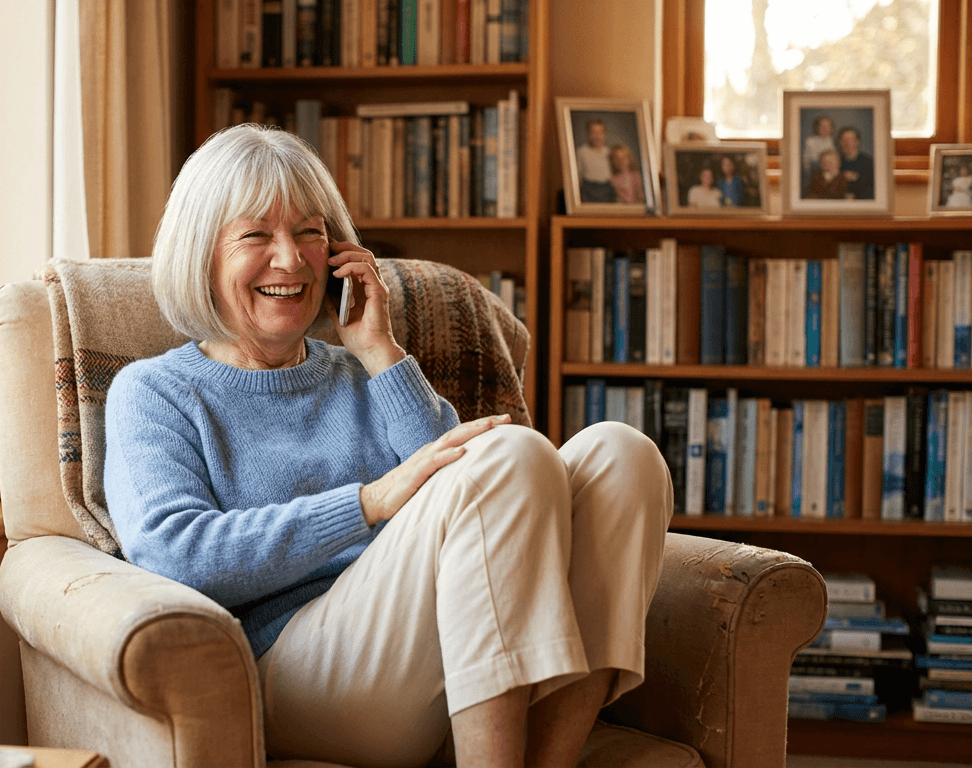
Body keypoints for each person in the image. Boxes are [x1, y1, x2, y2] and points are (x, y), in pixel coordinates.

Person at [104, 123, 672, 767]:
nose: (290, 260)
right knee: (512, 453)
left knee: (622, 456)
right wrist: (367, 502)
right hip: (292, 675)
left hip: (435, 662)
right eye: (256, 235)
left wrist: (381, 352)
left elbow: (484, 509)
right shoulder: (153, 391)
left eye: (311, 232)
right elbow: (173, 556)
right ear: (200, 255)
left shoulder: (367, 374)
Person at [575, 119, 616, 203]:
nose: (597, 136)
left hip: (607, 189)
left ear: (605, 134)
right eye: (593, 133)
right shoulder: (582, 151)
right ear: (588, 134)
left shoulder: (609, 152)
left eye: (600, 132)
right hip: (588, 189)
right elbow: (578, 174)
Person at [837, 127, 875, 200]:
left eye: (851, 140)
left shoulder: (868, 162)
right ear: (840, 142)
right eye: (844, 140)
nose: (847, 143)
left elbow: (871, 188)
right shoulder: (834, 161)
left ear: (857, 142)